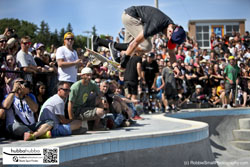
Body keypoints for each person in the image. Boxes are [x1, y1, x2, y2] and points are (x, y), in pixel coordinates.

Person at [92, 5, 186, 66]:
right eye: (169, 37)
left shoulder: (172, 31)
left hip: (137, 20)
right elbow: (136, 42)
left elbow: (172, 54)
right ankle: (114, 47)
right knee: (147, 46)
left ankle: (98, 41)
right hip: (130, 17)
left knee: (128, 49)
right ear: (170, 30)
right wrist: (125, 61)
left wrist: (175, 67)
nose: (168, 39)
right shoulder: (157, 24)